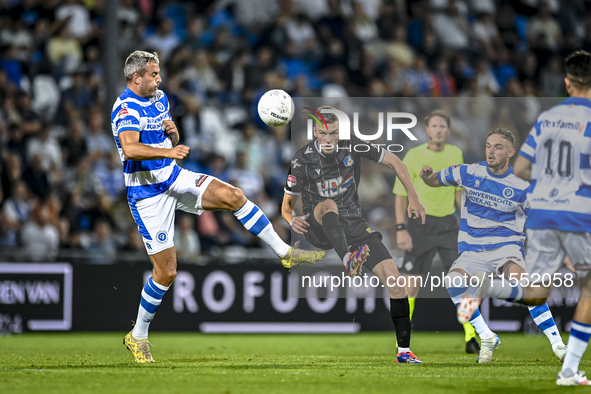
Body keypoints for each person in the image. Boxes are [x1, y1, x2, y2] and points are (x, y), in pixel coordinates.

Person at [112, 51, 325, 364]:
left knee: (235, 196)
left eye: (159, 74)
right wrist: (168, 152)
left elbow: (168, 139)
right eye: (154, 75)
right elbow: (129, 148)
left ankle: (284, 252)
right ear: (136, 78)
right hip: (147, 194)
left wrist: (173, 136)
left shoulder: (160, 99)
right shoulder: (125, 108)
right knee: (167, 272)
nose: (159, 79)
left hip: (174, 177)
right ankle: (138, 336)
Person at [463, 50, 591, 385]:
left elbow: (520, 170)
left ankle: (490, 287)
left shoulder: (547, 118)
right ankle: (568, 370)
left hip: (543, 212)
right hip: (577, 211)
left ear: (566, 82)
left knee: (534, 293)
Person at [282, 105, 427, 363]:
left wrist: (413, 199)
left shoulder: (354, 146)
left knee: (397, 284)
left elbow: (395, 161)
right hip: (320, 227)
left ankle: (403, 351)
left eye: (334, 134)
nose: (329, 140)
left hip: (354, 224)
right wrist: (291, 219)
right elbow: (285, 207)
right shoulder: (301, 160)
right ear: (315, 131)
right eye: (324, 134)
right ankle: (348, 258)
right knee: (329, 204)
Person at [420, 127, 566, 364]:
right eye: (488, 146)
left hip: (505, 249)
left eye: (498, 147)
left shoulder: (522, 187)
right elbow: (435, 180)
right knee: (452, 282)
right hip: (472, 251)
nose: (491, 151)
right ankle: (487, 336)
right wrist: (427, 176)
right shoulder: (467, 172)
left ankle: (559, 345)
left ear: (510, 152)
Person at [393, 109, 479, 354]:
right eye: (435, 126)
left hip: (448, 225)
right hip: (420, 225)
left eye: (443, 126)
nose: (439, 130)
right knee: (411, 286)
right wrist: (401, 228)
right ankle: (403, 341)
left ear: (448, 130)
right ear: (427, 129)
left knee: (462, 281)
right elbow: (401, 195)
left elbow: (458, 193)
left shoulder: (456, 153)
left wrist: (468, 224)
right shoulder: (413, 155)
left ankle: (471, 337)